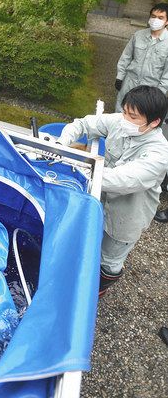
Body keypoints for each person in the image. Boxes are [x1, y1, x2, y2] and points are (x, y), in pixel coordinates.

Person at [58, 85, 168, 296]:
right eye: (125, 111)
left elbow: (123, 179)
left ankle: (97, 291)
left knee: (111, 257)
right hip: (101, 199)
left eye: (133, 116)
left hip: (128, 214)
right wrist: (63, 143)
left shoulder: (159, 154)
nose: (125, 118)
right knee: (92, 239)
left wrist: (74, 166)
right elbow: (84, 124)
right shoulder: (121, 122)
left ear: (154, 122)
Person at [114, 3, 168, 113]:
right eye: (153, 16)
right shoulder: (138, 35)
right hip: (129, 83)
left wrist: (160, 93)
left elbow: (167, 74)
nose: (155, 20)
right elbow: (126, 57)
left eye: (160, 17)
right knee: (120, 114)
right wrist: (120, 77)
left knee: (140, 120)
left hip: (150, 90)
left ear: (167, 22)